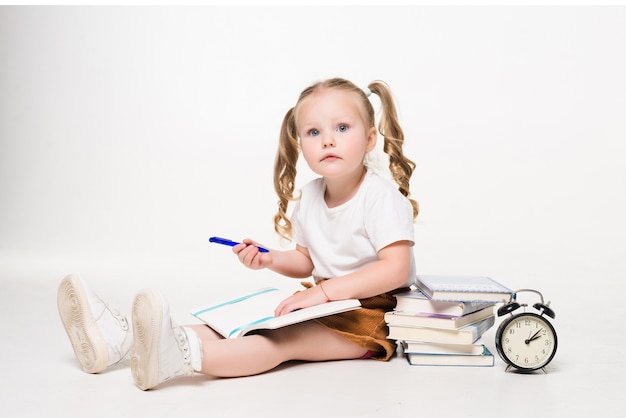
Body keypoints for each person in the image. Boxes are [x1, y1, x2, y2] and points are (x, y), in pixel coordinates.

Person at [57, 77, 419, 390]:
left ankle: (183, 357)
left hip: (373, 317)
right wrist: (270, 259)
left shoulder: (379, 198)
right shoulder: (310, 196)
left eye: (342, 128)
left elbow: (395, 269)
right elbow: (306, 261)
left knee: (281, 340)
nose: (327, 140)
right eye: (314, 132)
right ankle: (122, 341)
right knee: (234, 325)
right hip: (327, 302)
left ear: (370, 139)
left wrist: (324, 293)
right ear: (301, 143)